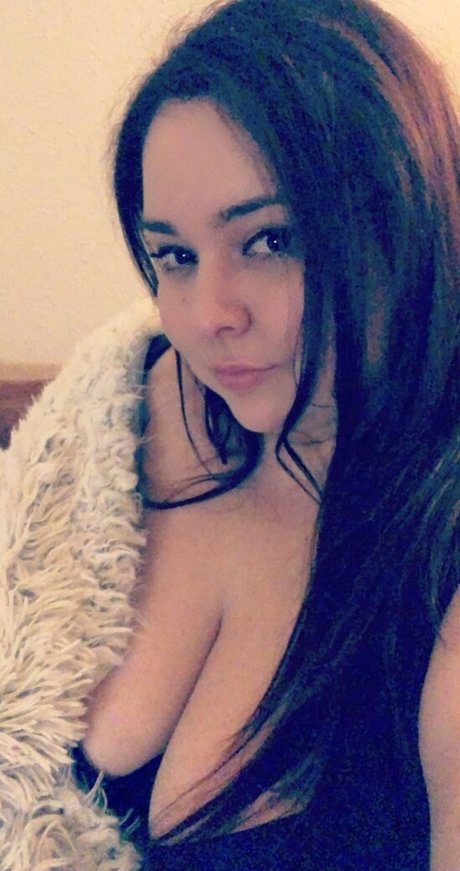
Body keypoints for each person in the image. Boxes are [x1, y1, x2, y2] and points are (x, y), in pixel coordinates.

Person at [0, 0, 458, 868]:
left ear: (406, 218)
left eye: (271, 239)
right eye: (174, 255)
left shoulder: (437, 561)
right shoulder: (126, 408)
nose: (209, 315)